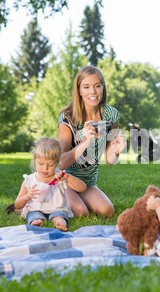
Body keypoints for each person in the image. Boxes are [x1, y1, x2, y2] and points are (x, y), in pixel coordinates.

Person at [57, 65, 127, 218]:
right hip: (64, 180)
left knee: (107, 211)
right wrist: (84, 144)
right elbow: (59, 162)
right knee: (81, 213)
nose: (93, 92)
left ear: (103, 87)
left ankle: (78, 198)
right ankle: (50, 198)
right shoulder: (67, 117)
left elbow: (109, 160)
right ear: (79, 90)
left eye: (97, 86)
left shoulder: (111, 115)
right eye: (86, 87)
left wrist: (116, 149)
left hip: (87, 183)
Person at [15, 137, 87, 231]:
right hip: (35, 209)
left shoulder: (60, 178)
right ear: (34, 160)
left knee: (59, 216)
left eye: (50, 165)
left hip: (56, 209)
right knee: (34, 216)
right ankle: (36, 222)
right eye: (40, 164)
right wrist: (27, 196)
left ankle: (60, 224)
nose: (45, 168)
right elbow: (17, 204)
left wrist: (68, 177)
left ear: (57, 163)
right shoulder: (29, 180)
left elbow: (82, 188)